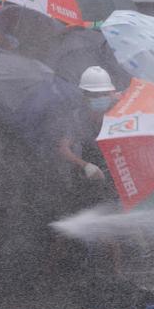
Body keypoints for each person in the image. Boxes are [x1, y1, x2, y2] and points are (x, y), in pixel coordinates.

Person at [57, 66, 120, 210]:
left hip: (116, 177)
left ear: (110, 93)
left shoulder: (119, 113)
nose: (99, 98)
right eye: (94, 95)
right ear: (85, 96)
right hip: (87, 180)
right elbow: (63, 148)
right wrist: (86, 166)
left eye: (103, 94)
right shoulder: (78, 117)